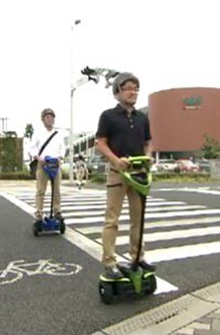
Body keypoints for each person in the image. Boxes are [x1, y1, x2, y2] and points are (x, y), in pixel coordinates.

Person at [95, 72, 155, 279]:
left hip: (139, 173)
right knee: (112, 219)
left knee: (138, 219)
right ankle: (110, 261)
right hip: (118, 172)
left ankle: (137, 256)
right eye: (128, 88)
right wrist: (115, 160)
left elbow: (148, 142)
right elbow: (100, 143)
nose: (133, 92)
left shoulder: (142, 118)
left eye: (136, 88)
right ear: (117, 92)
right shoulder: (108, 116)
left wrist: (148, 157)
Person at [30, 108, 65, 224]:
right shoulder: (38, 133)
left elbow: (63, 148)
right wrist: (38, 158)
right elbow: (32, 149)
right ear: (43, 119)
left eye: (52, 117)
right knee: (41, 190)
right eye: (47, 117)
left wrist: (61, 157)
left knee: (57, 190)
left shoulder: (58, 134)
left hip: (55, 164)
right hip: (43, 164)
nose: (50, 119)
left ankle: (57, 211)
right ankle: (39, 214)